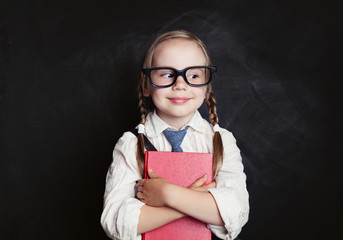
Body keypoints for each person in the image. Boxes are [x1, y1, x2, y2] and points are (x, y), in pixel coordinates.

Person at [101, 30, 249, 240]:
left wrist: (167, 194)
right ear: (146, 85)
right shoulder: (131, 144)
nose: (180, 84)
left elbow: (234, 213)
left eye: (194, 75)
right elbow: (116, 221)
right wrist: (193, 201)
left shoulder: (222, 142)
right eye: (167, 74)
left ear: (207, 87)